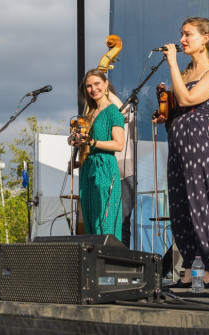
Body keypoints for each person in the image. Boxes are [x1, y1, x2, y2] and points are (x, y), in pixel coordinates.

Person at [154, 17, 209, 288]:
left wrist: (171, 62)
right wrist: (165, 115)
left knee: (199, 205)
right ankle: (188, 270)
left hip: (199, 143)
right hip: (178, 142)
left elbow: (187, 100)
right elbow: (177, 107)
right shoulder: (184, 74)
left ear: (205, 39)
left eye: (188, 35)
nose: (182, 40)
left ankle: (207, 271)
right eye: (181, 34)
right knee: (180, 207)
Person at [69, 68, 125, 238]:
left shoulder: (113, 111)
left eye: (97, 84)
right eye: (88, 86)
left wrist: (93, 142)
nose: (93, 89)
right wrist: (77, 146)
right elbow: (85, 143)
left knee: (104, 220)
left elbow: (119, 144)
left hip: (105, 167)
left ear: (106, 84)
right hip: (88, 167)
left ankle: (109, 262)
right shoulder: (89, 113)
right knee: (90, 219)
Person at [118, 106, 135, 248]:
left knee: (123, 221)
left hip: (125, 172)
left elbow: (129, 112)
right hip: (104, 171)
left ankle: (122, 262)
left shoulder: (125, 109)